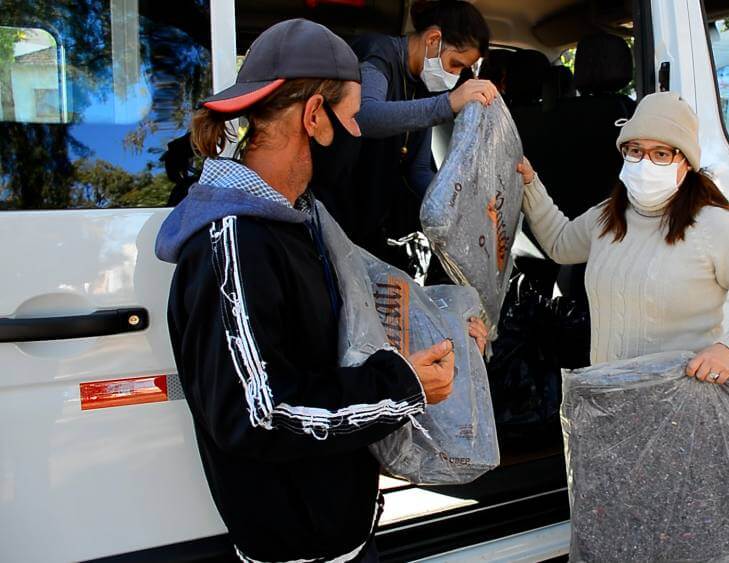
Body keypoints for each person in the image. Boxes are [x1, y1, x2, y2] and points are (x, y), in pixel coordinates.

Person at [154, 20, 487, 563]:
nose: (358, 137)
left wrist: (446, 331)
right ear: (313, 115)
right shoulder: (237, 240)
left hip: (341, 534)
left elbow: (349, 328)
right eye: (352, 119)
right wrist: (401, 387)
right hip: (298, 550)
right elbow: (261, 413)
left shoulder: (303, 218)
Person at [515, 91, 729, 556]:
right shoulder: (610, 217)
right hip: (611, 417)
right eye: (635, 150)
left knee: (678, 541)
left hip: (680, 423)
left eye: (661, 153)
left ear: (684, 162)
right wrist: (529, 184)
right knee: (615, 539)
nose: (646, 162)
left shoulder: (715, 226)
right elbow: (562, 243)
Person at [313, 0, 496, 275]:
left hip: (367, 229)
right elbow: (366, 116)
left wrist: (458, 207)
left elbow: (417, 168)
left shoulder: (425, 86)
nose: (456, 76)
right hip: (330, 217)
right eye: (455, 64)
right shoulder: (379, 55)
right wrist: (446, 104)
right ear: (433, 39)